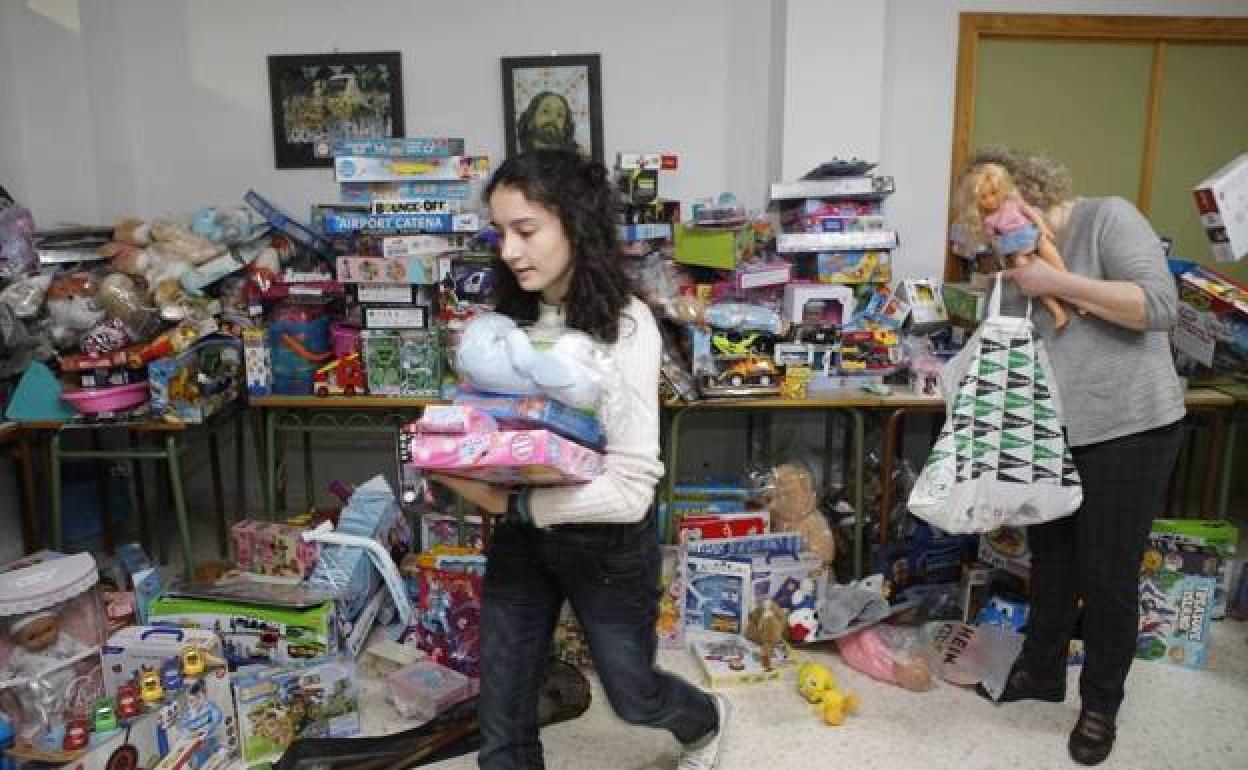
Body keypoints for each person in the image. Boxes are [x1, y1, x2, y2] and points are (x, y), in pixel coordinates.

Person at [430, 150, 728, 770]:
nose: (509, 250)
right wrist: (457, 452)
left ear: (576, 224)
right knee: (504, 713)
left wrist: (517, 502)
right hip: (524, 538)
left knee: (634, 694)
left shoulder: (627, 327)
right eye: (501, 232)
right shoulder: (511, 318)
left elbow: (631, 490)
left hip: (607, 546)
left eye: (527, 230)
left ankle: (705, 720)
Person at [967, 147, 1186, 767]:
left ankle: (1099, 709)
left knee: (1108, 577)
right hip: (1055, 432)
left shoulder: (1107, 218)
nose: (987, 224)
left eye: (992, 205)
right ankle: (1042, 672)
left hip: (1131, 429)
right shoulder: (1015, 257)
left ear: (1023, 191)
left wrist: (1054, 282)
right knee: (1053, 561)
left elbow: (1159, 307)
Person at [954, 160, 1072, 327]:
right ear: (976, 201)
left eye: (993, 193)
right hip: (1016, 250)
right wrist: (1000, 252)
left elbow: (1030, 213)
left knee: (1056, 263)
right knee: (1032, 280)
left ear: (1001, 187)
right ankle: (1057, 311)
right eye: (983, 198)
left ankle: (1075, 298)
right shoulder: (988, 220)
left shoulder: (1012, 202)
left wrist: (1043, 227)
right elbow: (994, 242)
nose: (990, 200)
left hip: (1033, 236)